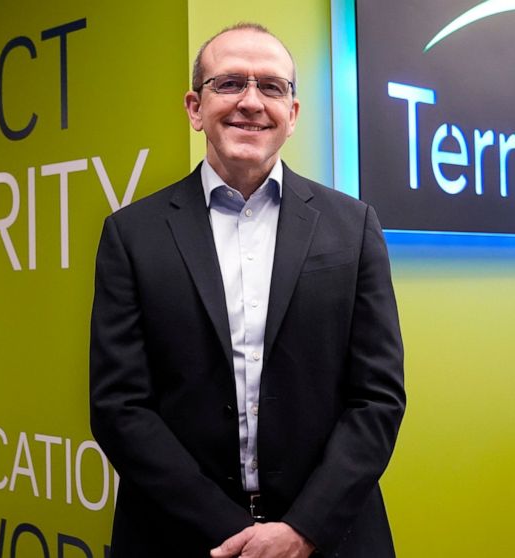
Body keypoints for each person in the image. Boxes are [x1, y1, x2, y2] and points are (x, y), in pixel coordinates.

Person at [90, 22, 405, 558]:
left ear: (293, 114)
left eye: (271, 87)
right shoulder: (132, 235)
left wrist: (303, 529)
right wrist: (233, 534)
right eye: (230, 83)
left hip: (330, 538)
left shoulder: (353, 227)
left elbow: (378, 397)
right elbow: (119, 406)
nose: (251, 102)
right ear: (195, 108)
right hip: (178, 537)